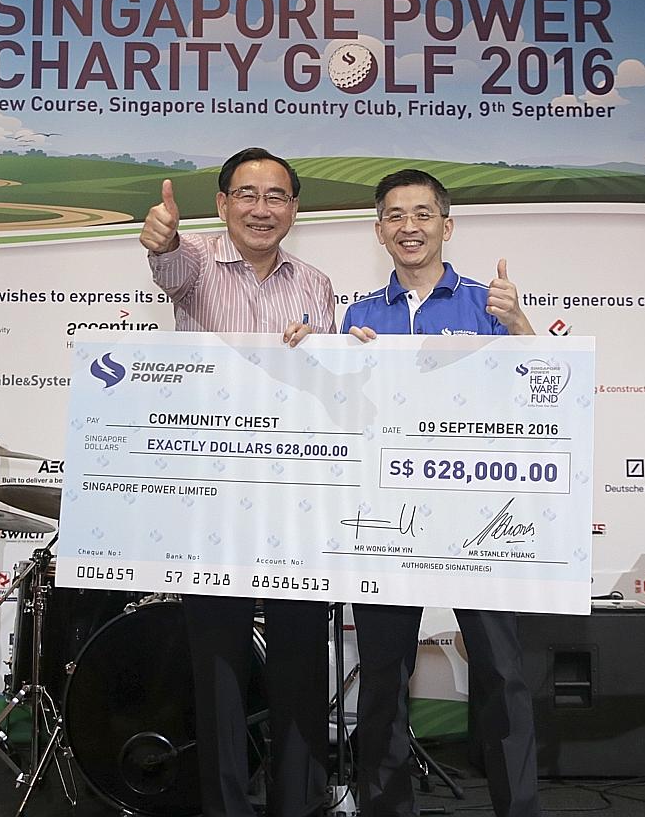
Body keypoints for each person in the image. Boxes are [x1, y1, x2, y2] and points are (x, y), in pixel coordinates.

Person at [140, 146, 335, 817]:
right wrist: (160, 240)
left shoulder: (317, 283)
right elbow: (166, 268)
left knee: (302, 660)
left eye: (275, 195)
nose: (261, 208)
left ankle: (299, 802)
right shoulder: (194, 263)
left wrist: (329, 357)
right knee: (218, 667)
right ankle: (224, 806)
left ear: (294, 209)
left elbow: (332, 390)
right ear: (222, 204)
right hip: (211, 500)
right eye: (246, 194)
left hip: (294, 502)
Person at [340, 169, 540, 817]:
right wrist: (346, 368)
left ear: (446, 226)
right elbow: (345, 418)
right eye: (395, 215)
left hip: (475, 517)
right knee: (382, 682)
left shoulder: (489, 303)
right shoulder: (360, 315)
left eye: (423, 214)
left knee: (503, 675)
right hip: (389, 520)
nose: (409, 226)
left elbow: (544, 389)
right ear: (379, 231)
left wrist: (522, 327)